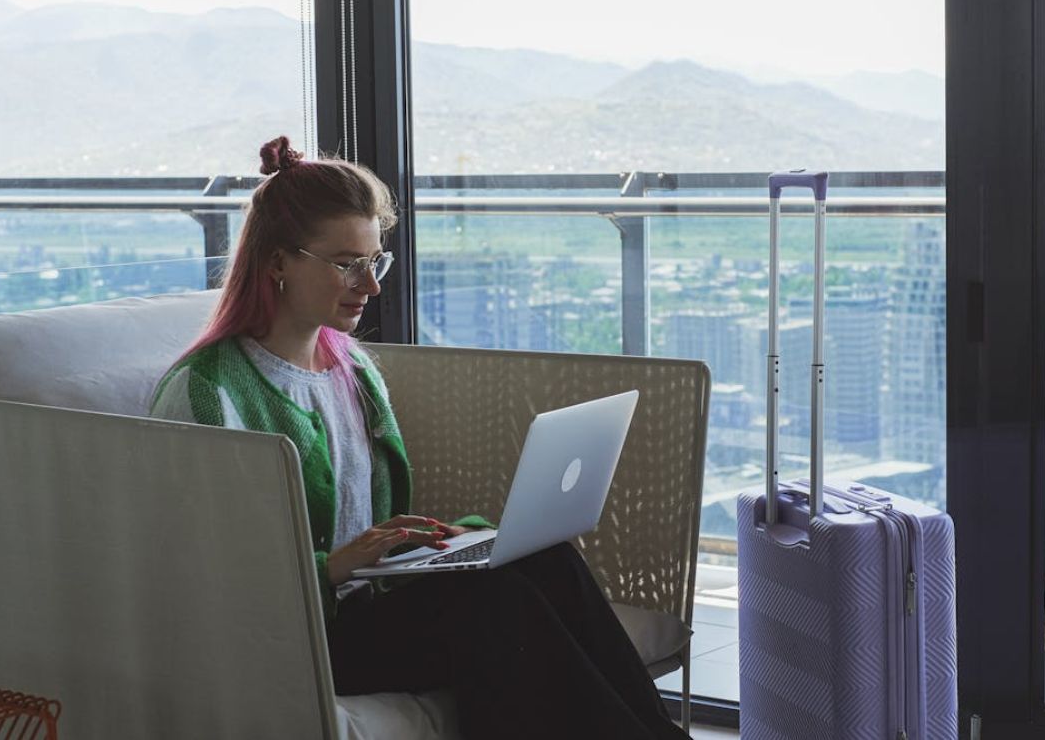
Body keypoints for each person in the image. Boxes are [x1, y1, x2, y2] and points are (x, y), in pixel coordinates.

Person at [149, 136, 690, 740]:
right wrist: (329, 569)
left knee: (543, 559)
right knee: (495, 608)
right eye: (346, 263)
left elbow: (368, 523)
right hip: (294, 635)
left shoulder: (352, 369)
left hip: (367, 607)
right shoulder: (207, 393)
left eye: (374, 261)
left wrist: (441, 544)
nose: (369, 285)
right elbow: (197, 571)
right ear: (277, 261)